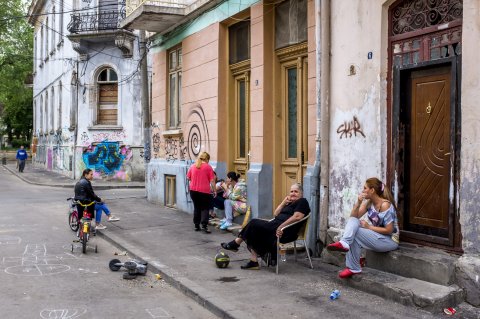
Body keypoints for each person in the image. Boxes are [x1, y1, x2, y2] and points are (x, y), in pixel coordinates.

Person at [221, 183, 310, 270]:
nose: (293, 193)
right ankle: (253, 261)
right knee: (254, 229)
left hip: (285, 231)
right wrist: (283, 203)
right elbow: (276, 214)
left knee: (253, 223)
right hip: (275, 226)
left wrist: (281, 226)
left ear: (301, 194)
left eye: (296, 191)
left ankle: (236, 244)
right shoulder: (289, 203)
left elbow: (298, 216)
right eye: (291, 191)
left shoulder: (302, 201)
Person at [327, 177, 399, 278]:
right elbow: (353, 217)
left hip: (390, 241)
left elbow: (389, 230)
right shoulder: (369, 203)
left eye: (365, 188)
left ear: (372, 190)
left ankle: (353, 266)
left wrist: (369, 227)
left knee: (355, 232)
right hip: (378, 237)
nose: (363, 190)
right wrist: (358, 202)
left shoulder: (385, 205)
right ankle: (345, 243)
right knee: (354, 223)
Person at [186, 151, 216, 233]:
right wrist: (214, 190)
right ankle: (204, 225)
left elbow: (188, 178)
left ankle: (196, 225)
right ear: (207, 159)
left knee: (197, 207)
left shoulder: (193, 166)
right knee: (205, 208)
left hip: (193, 190)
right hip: (204, 191)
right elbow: (212, 180)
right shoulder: (208, 167)